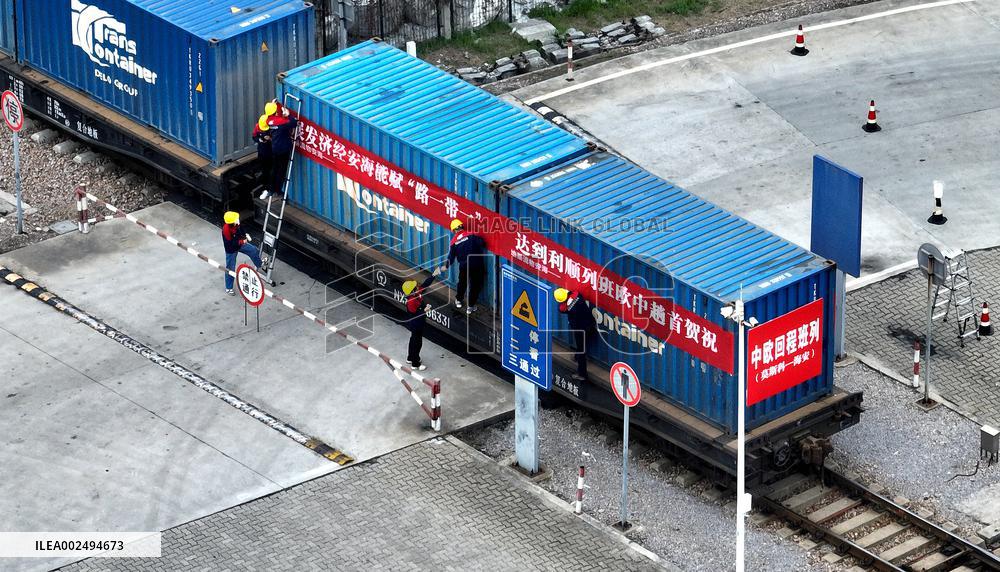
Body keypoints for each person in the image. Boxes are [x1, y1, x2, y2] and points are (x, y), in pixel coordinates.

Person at [442, 219, 486, 315]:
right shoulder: (471, 235)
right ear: (462, 226)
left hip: (464, 266)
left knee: (462, 283)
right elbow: (482, 243)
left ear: (454, 230)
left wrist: (446, 266)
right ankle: (470, 307)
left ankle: (458, 300)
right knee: (475, 286)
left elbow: (451, 257)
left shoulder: (453, 242)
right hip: (476, 265)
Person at [402, 268, 441, 370]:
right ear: (412, 290)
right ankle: (415, 364)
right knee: (417, 342)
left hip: (417, 323)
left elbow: (425, 285)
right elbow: (416, 314)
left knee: (413, 340)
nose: (417, 286)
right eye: (415, 287)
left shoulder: (415, 293)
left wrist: (433, 275)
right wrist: (425, 310)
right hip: (416, 324)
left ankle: (410, 358)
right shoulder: (411, 302)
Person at [555, 288, 598, 381]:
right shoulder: (577, 295)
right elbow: (573, 293)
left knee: (581, 350)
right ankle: (576, 357)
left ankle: (582, 374)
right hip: (590, 324)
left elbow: (561, 308)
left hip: (580, 330)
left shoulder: (564, 308)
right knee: (584, 343)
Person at [259, 100, 298, 200]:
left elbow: (275, 118)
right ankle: (277, 189)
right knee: (282, 170)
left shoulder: (267, 120)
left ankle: (271, 189)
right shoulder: (281, 122)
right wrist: (288, 114)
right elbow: (294, 123)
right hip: (283, 148)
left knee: (275, 168)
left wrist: (274, 105)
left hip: (275, 148)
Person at [222, 211, 262, 296]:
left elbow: (241, 231)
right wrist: (242, 241)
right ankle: (229, 288)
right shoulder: (226, 230)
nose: (238, 219)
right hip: (231, 250)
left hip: (240, 244)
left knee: (253, 250)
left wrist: (245, 235)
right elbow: (231, 243)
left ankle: (260, 265)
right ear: (231, 222)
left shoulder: (236, 224)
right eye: (236, 219)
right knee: (230, 268)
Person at [252, 114, 273, 198]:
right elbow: (254, 137)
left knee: (271, 170)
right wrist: (260, 140)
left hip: (271, 152)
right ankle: (265, 186)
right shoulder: (258, 127)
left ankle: (269, 187)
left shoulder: (272, 128)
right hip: (262, 151)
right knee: (264, 170)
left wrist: (270, 139)